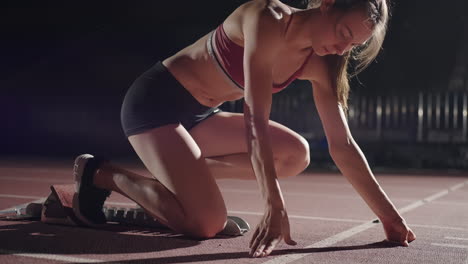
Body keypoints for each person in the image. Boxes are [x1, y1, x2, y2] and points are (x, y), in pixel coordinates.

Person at [71, 0, 416, 258]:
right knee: (206, 224)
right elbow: (255, 121)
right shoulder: (266, 17)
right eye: (344, 34)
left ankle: (188, 175)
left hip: (203, 116)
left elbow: (342, 145)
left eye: (352, 45)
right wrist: (273, 203)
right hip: (155, 105)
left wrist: (389, 217)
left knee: (296, 155)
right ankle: (101, 173)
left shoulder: (321, 62)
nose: (343, 49)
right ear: (326, 5)